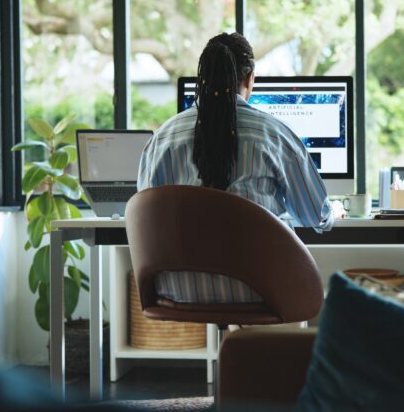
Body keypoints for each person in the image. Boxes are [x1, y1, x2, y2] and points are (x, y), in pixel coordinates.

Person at [138, 32, 333, 304]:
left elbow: (147, 217)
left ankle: (231, 345)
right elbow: (315, 215)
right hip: (260, 289)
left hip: (179, 291)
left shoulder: (163, 139)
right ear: (250, 78)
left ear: (202, 78)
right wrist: (330, 211)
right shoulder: (274, 135)